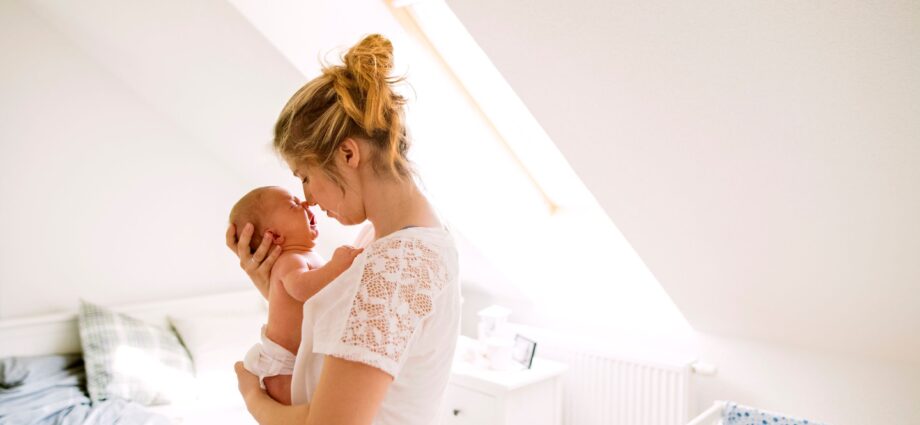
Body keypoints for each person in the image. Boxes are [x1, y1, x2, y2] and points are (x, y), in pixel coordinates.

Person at [225, 33, 461, 425]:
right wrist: (273, 287)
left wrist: (252, 397)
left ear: (348, 153)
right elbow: (329, 346)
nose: (309, 198)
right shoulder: (389, 240)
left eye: (305, 177)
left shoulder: (396, 265)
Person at [228, 186, 363, 405]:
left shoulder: (306, 255)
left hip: (298, 358)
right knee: (297, 407)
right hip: (283, 366)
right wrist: (335, 267)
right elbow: (301, 288)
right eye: (293, 204)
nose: (305, 204)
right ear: (276, 235)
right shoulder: (290, 260)